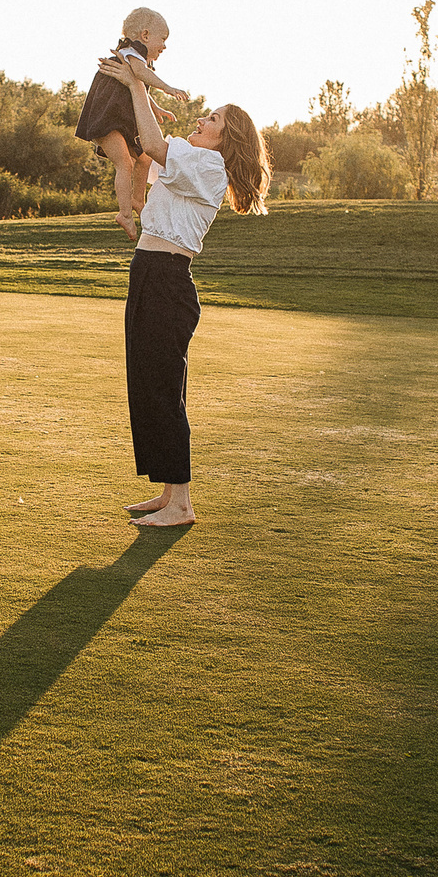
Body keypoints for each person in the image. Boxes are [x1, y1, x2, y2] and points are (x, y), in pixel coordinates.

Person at [99, 46, 271, 528]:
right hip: (149, 273)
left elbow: (155, 147)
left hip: (167, 280)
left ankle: (182, 505)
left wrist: (137, 83)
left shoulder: (209, 167)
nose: (201, 118)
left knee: (162, 390)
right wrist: (140, 96)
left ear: (227, 138)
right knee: (148, 386)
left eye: (212, 118)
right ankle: (168, 493)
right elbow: (143, 150)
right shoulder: (192, 160)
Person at [74, 6, 192, 239]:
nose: (164, 46)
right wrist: (167, 88)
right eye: (163, 39)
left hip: (119, 120)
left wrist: (155, 108)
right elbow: (141, 75)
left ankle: (138, 199)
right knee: (124, 164)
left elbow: (138, 86)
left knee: (145, 157)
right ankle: (125, 214)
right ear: (145, 35)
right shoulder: (132, 53)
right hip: (106, 119)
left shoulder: (134, 58)